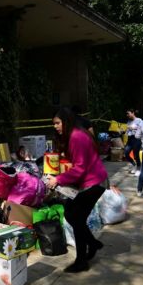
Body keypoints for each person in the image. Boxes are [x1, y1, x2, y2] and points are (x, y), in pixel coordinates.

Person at [45, 107, 108, 273]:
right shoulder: (76, 134)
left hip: (94, 183)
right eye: (54, 124)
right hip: (90, 182)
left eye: (58, 123)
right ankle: (92, 244)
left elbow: (79, 168)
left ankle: (82, 261)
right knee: (71, 214)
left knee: (76, 217)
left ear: (66, 121)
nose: (56, 127)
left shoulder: (76, 137)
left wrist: (58, 179)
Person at [124, 109, 142, 176]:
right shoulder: (128, 121)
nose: (127, 115)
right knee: (126, 153)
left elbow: (142, 128)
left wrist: (133, 127)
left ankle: (138, 168)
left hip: (136, 139)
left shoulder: (139, 120)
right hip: (130, 139)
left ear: (133, 113)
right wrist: (123, 131)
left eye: (128, 113)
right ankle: (134, 164)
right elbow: (127, 130)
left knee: (136, 155)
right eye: (127, 114)